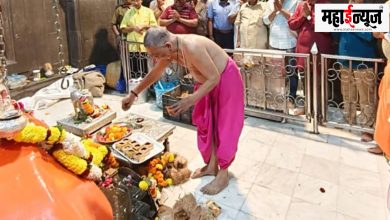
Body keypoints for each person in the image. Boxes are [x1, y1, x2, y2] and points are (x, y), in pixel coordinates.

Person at [121, 27, 245, 195]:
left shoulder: (191, 46)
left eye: (156, 54)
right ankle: (212, 166)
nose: (154, 58)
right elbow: (156, 72)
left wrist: (191, 99)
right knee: (208, 125)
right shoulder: (169, 51)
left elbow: (215, 77)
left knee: (225, 128)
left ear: (167, 45)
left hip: (226, 79)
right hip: (206, 84)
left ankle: (223, 175)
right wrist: (134, 93)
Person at [120, 0, 158, 78]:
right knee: (134, 70)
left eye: (137, 0)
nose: (136, 3)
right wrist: (133, 28)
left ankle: (148, 87)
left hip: (145, 45)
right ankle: (136, 87)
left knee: (146, 69)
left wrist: (144, 26)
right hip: (133, 46)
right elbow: (123, 28)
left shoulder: (148, 11)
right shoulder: (128, 13)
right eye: (133, 1)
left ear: (141, 0)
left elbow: (155, 26)